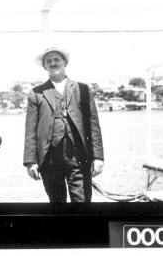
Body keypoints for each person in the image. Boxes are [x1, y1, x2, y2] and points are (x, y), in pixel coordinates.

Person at [23, 47, 104, 202]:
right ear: (44, 66)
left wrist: (98, 157)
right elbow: (30, 130)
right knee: (56, 205)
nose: (53, 63)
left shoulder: (84, 89)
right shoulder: (36, 93)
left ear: (65, 62)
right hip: (49, 159)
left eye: (56, 59)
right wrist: (30, 162)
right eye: (49, 61)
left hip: (78, 156)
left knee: (82, 202)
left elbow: (94, 125)